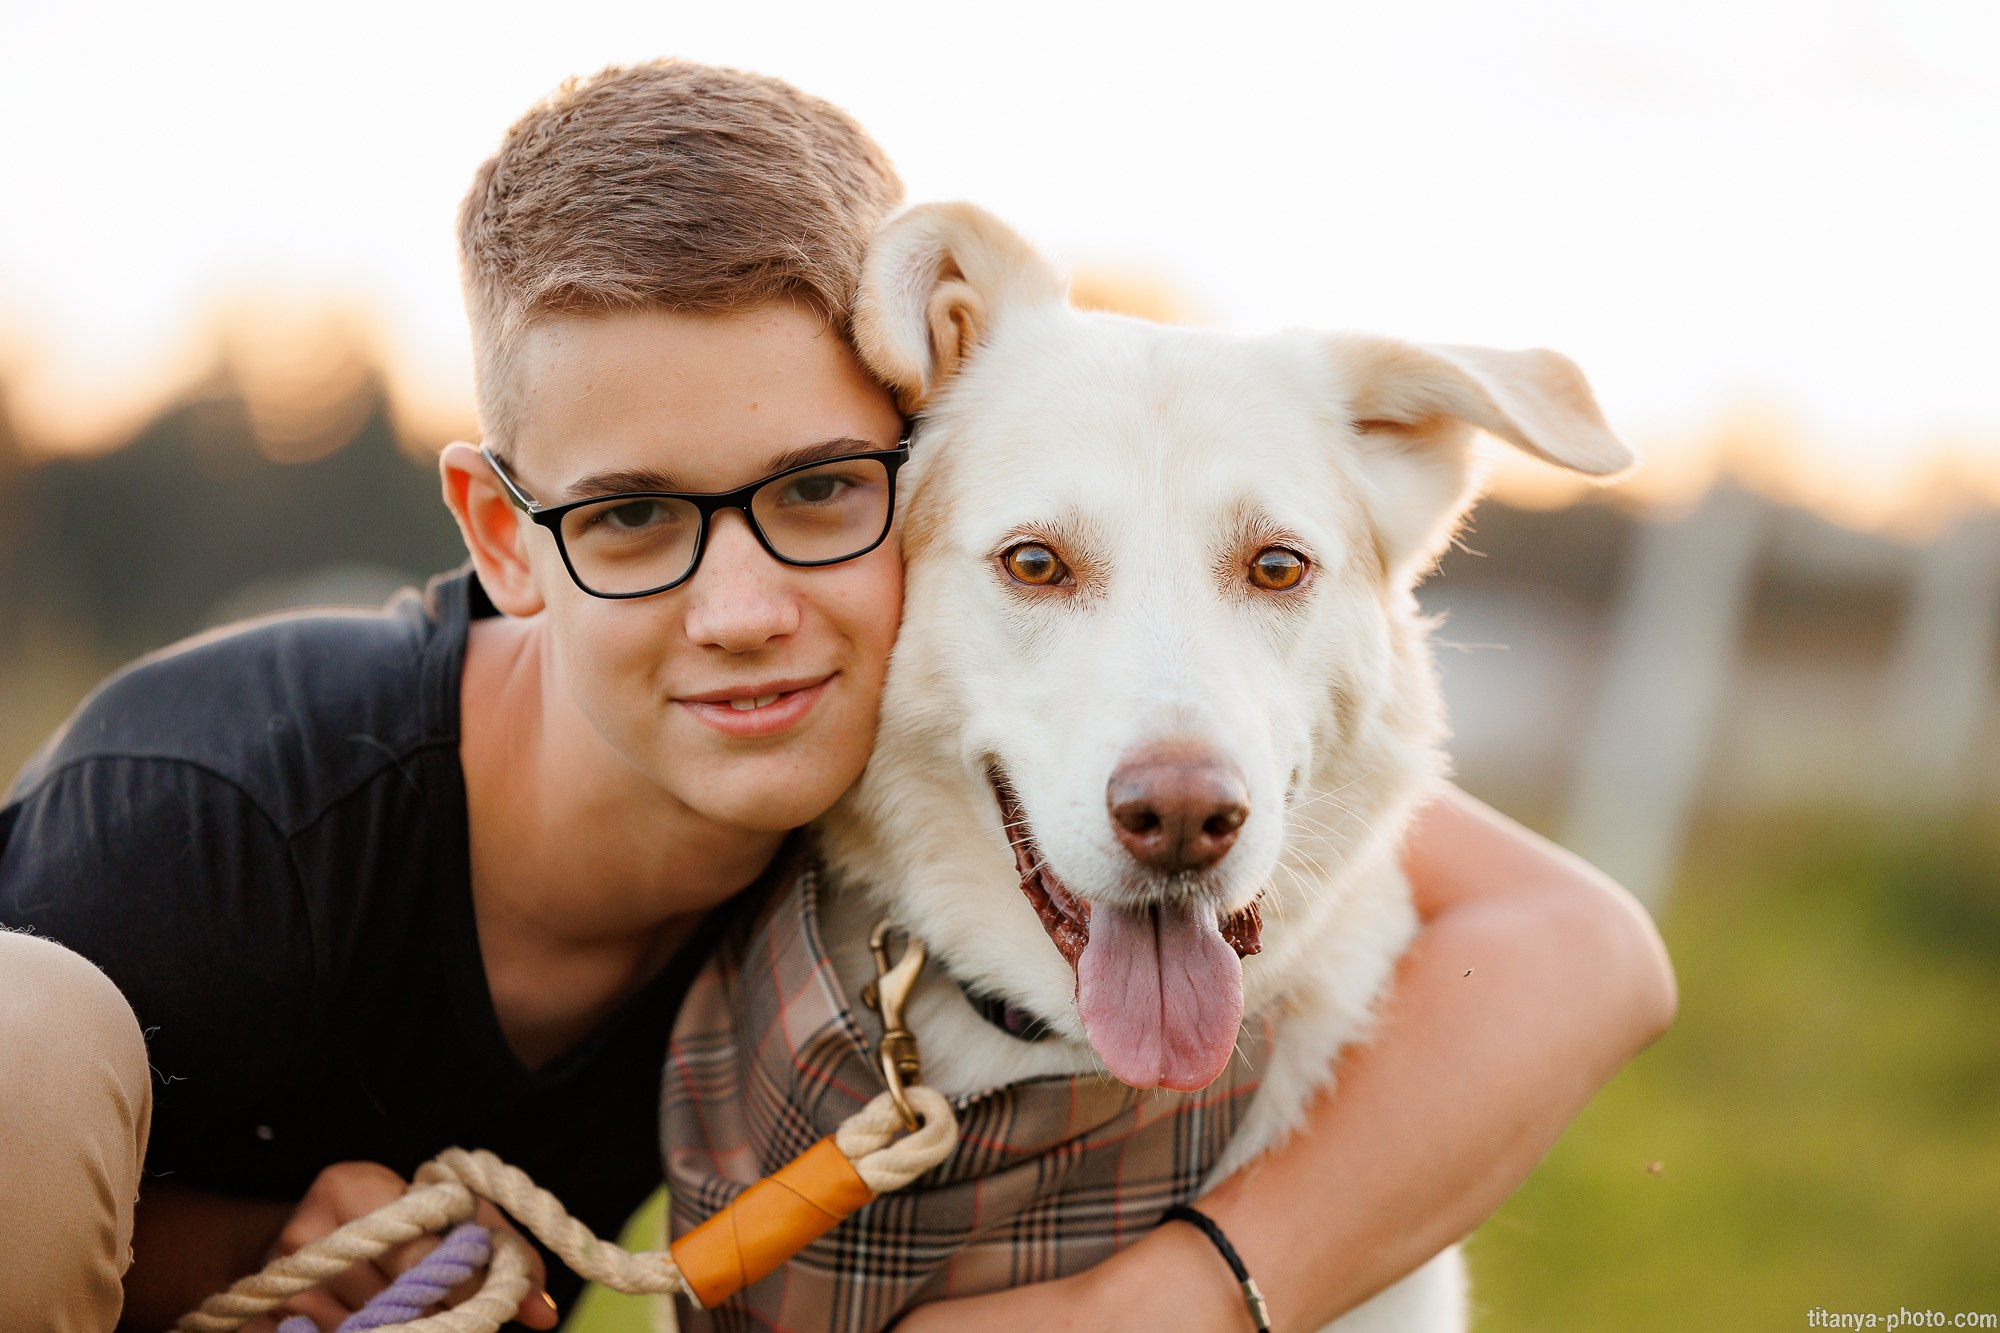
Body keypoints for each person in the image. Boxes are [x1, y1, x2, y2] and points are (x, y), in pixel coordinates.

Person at [0, 60, 1676, 1333]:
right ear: (509, 539)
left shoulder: (932, 733)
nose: (744, 613)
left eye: (816, 491)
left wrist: (1161, 1303)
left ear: (908, 472)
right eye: (636, 515)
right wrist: (253, 1245)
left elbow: (1581, 944)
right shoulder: (197, 834)